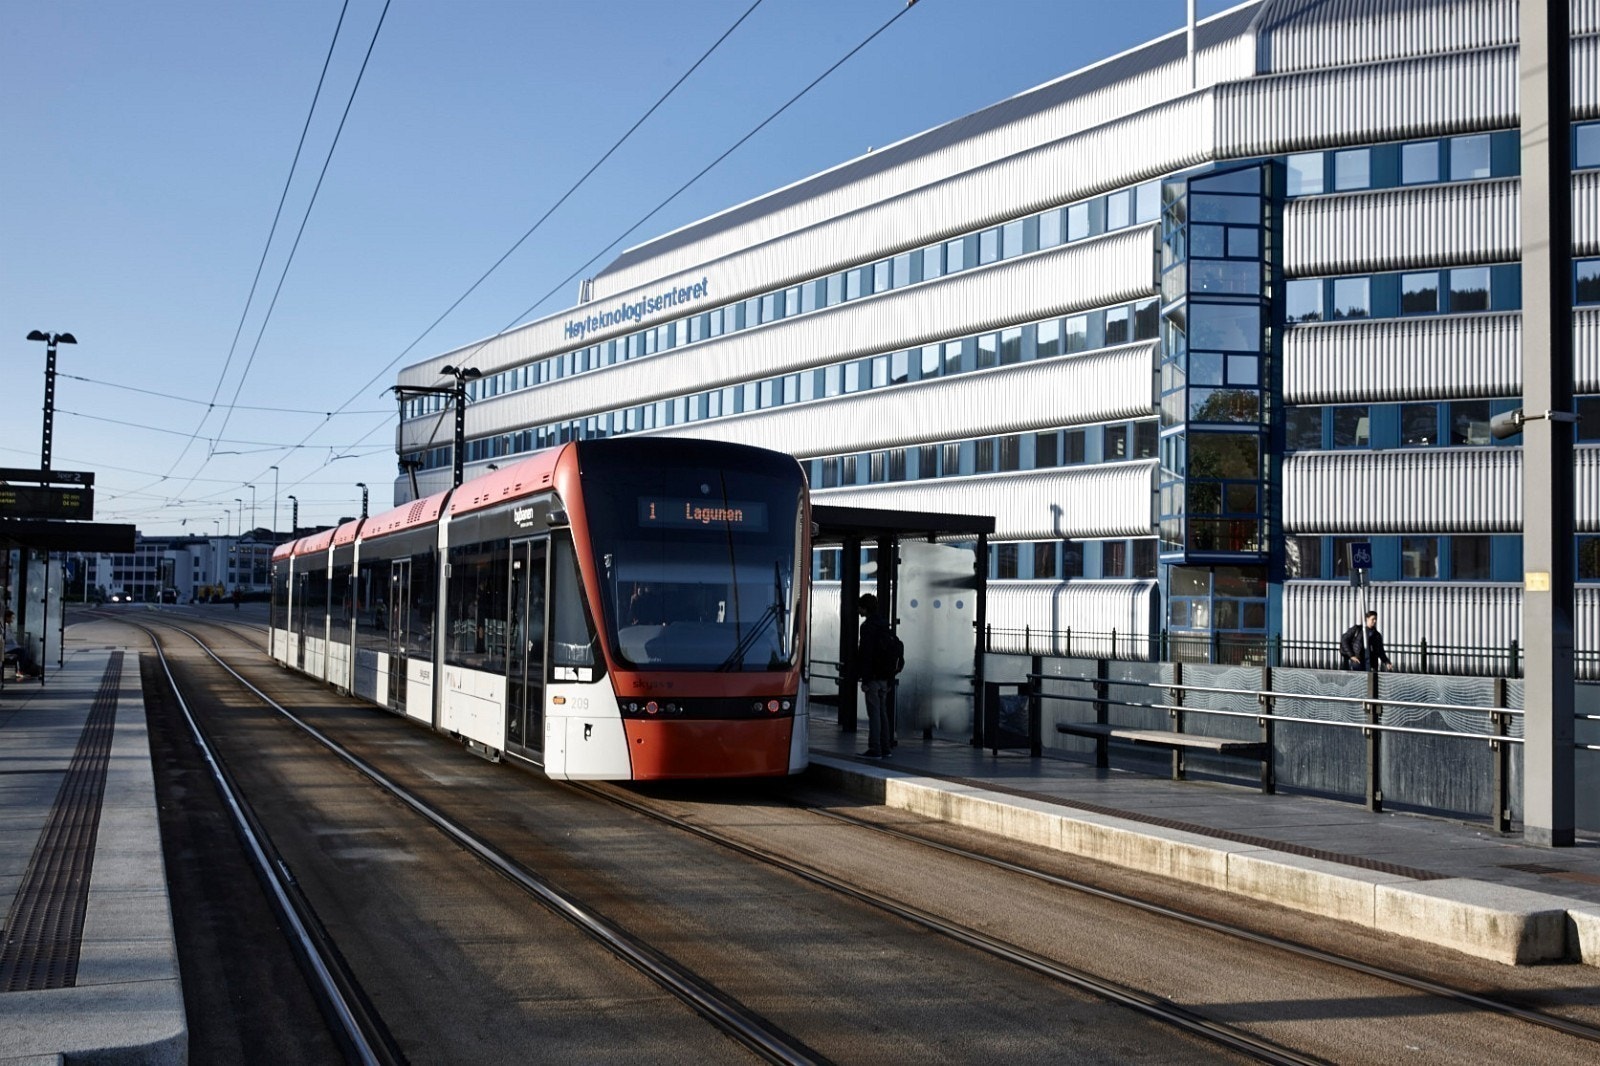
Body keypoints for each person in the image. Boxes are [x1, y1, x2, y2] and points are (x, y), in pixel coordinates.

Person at [856, 593, 902, 758]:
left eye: (860, 607)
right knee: (882, 713)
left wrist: (865, 679)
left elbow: (866, 655)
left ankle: (875, 748)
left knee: (874, 714)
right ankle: (886, 748)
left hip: (874, 678)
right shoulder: (884, 625)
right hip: (885, 678)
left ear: (865, 608)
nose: (858, 610)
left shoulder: (867, 627)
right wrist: (889, 679)